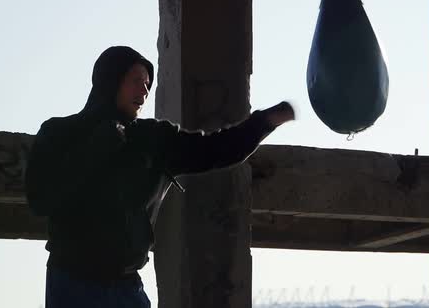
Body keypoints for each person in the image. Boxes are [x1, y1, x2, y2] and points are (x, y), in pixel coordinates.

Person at [24, 46, 295, 308]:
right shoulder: (60, 133)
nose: (144, 90)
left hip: (127, 288)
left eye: (147, 84)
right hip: (73, 286)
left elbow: (216, 149)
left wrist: (266, 121)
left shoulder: (153, 138)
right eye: (136, 81)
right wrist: (95, 149)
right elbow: (39, 199)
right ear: (111, 80)